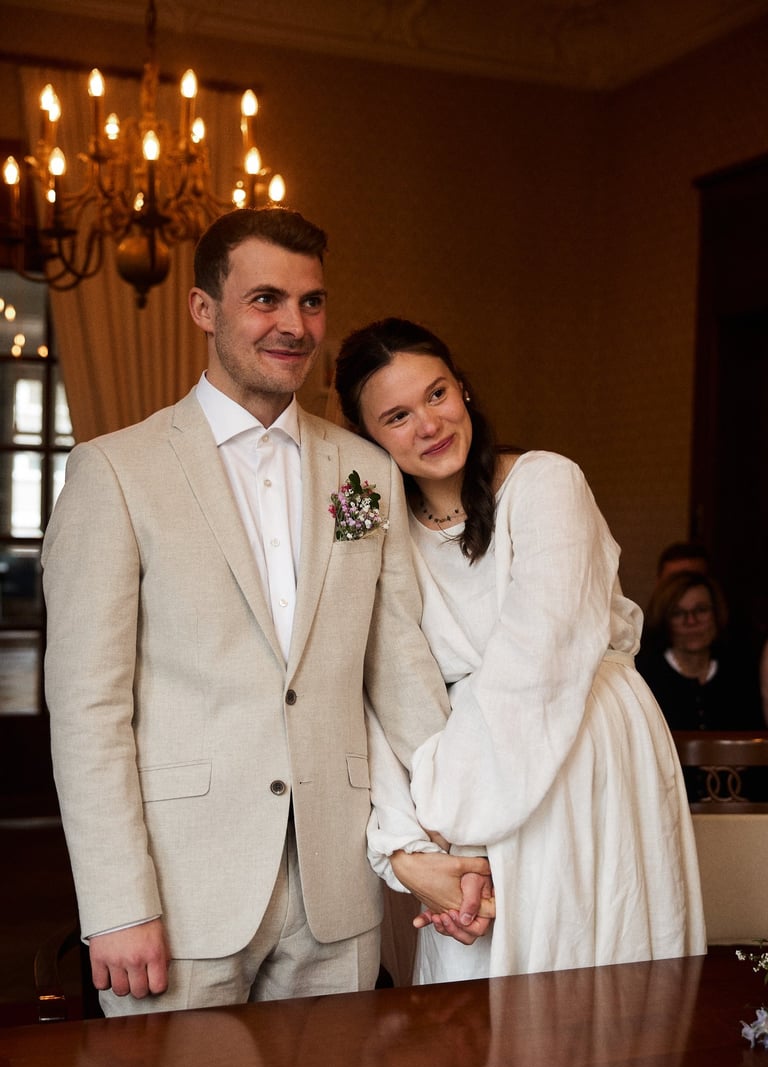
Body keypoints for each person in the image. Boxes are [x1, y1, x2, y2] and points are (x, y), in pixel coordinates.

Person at [41, 211, 491, 1016]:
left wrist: (460, 835)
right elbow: (87, 709)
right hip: (180, 895)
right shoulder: (114, 472)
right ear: (204, 309)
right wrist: (117, 902)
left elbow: (398, 671)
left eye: (312, 302)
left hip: (338, 886)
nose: (294, 325)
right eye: (266, 299)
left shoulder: (364, 470)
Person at [334, 316, 706, 983]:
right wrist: (411, 851)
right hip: (455, 779)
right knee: (465, 1025)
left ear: (464, 390)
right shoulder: (374, 527)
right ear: (365, 439)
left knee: (588, 984)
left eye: (437, 394)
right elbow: (366, 682)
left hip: (577, 751)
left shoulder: (546, 483)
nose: (428, 423)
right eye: (395, 416)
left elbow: (537, 664)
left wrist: (451, 826)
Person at [636, 570, 766, 800]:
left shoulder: (741, 672)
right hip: (671, 807)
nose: (691, 622)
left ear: (716, 614)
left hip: (740, 809)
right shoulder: (645, 675)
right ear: (666, 621)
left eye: (701, 610)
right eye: (679, 613)